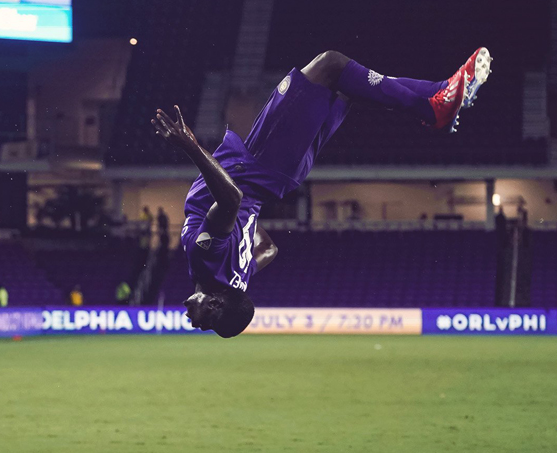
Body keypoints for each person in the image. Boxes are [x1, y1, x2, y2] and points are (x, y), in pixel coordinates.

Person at [153, 48, 492, 338]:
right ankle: (434, 107)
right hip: (263, 160)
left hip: (280, 173)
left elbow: (268, 249)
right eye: (208, 322)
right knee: (331, 65)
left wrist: (244, 221)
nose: (196, 324)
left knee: (347, 88)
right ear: (215, 303)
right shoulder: (206, 262)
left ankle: (441, 95)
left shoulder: (236, 279)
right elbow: (232, 201)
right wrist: (191, 147)